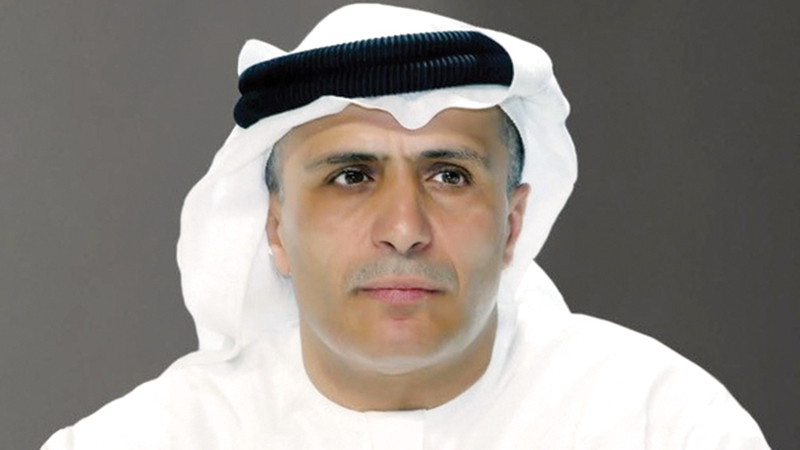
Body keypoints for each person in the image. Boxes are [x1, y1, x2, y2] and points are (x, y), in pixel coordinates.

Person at [42, 3, 770, 449]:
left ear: (512, 222)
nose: (403, 228)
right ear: (276, 229)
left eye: (449, 175)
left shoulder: (664, 425)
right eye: (350, 176)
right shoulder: (145, 440)